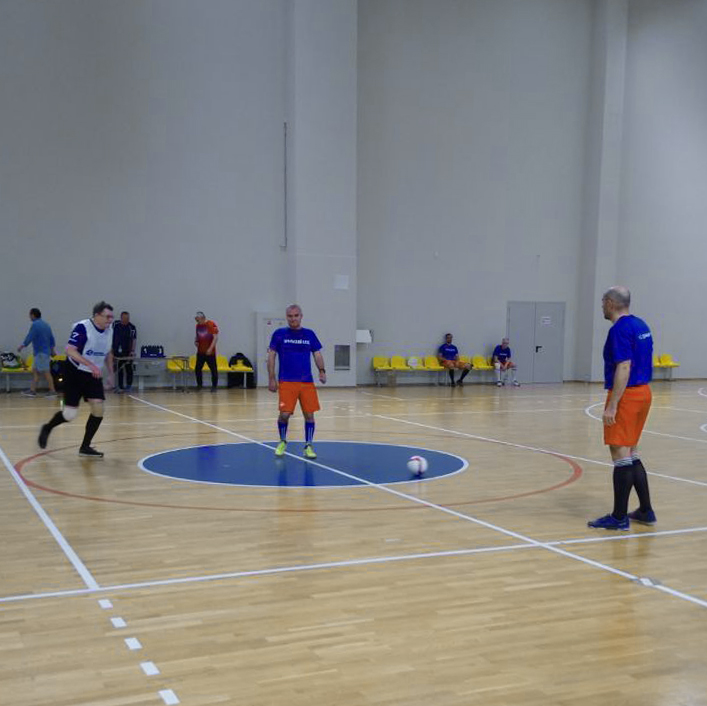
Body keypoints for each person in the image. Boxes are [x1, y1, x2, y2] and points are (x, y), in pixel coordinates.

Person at [588, 286, 656, 530]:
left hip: (627, 395)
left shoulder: (619, 330)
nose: (602, 306)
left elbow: (624, 366)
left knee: (620, 454)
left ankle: (619, 517)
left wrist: (613, 405)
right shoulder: (641, 325)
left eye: (603, 302)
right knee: (631, 452)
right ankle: (645, 511)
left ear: (610, 302)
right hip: (644, 393)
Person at [37, 301, 115, 458]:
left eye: (112, 317)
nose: (110, 320)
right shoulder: (83, 327)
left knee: (98, 409)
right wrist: (90, 365)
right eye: (107, 317)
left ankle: (85, 447)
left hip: (93, 375)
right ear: (97, 315)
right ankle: (47, 427)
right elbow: (70, 350)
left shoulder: (109, 330)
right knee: (69, 415)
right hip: (75, 372)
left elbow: (108, 352)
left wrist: (112, 374)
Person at [267, 304, 326, 459]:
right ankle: (282, 441)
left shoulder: (309, 334)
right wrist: (271, 378)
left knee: (309, 415)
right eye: (290, 316)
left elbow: (317, 354)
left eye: (296, 315)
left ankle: (308, 445)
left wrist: (322, 370)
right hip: (286, 382)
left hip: (306, 382)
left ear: (301, 316)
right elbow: (271, 356)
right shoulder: (279, 334)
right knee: (284, 415)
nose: (293, 319)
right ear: (286, 317)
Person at [17, 308, 57, 397]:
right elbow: (51, 339)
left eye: (30, 315)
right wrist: (52, 350)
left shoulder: (35, 325)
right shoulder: (46, 325)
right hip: (43, 353)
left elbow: (30, 336)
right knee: (35, 371)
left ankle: (52, 391)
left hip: (41, 353)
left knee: (46, 372)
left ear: (33, 315)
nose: (29, 317)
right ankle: (32, 390)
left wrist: (22, 346)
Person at [112, 311, 137, 392]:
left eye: (128, 318)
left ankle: (129, 386)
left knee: (129, 369)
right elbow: (109, 337)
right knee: (119, 370)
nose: (126, 320)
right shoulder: (115, 325)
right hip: (117, 352)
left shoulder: (132, 327)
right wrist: (111, 351)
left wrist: (132, 351)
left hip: (128, 353)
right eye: (125, 318)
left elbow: (134, 340)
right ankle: (120, 386)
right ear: (121, 318)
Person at [194, 311, 219, 391]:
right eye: (196, 320)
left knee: (213, 369)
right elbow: (197, 336)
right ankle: (199, 385)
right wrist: (196, 341)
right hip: (200, 352)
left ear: (203, 318)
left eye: (198, 320)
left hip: (210, 353)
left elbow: (215, 338)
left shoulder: (211, 324)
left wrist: (210, 348)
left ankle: (214, 386)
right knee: (197, 369)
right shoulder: (197, 326)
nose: (197, 322)